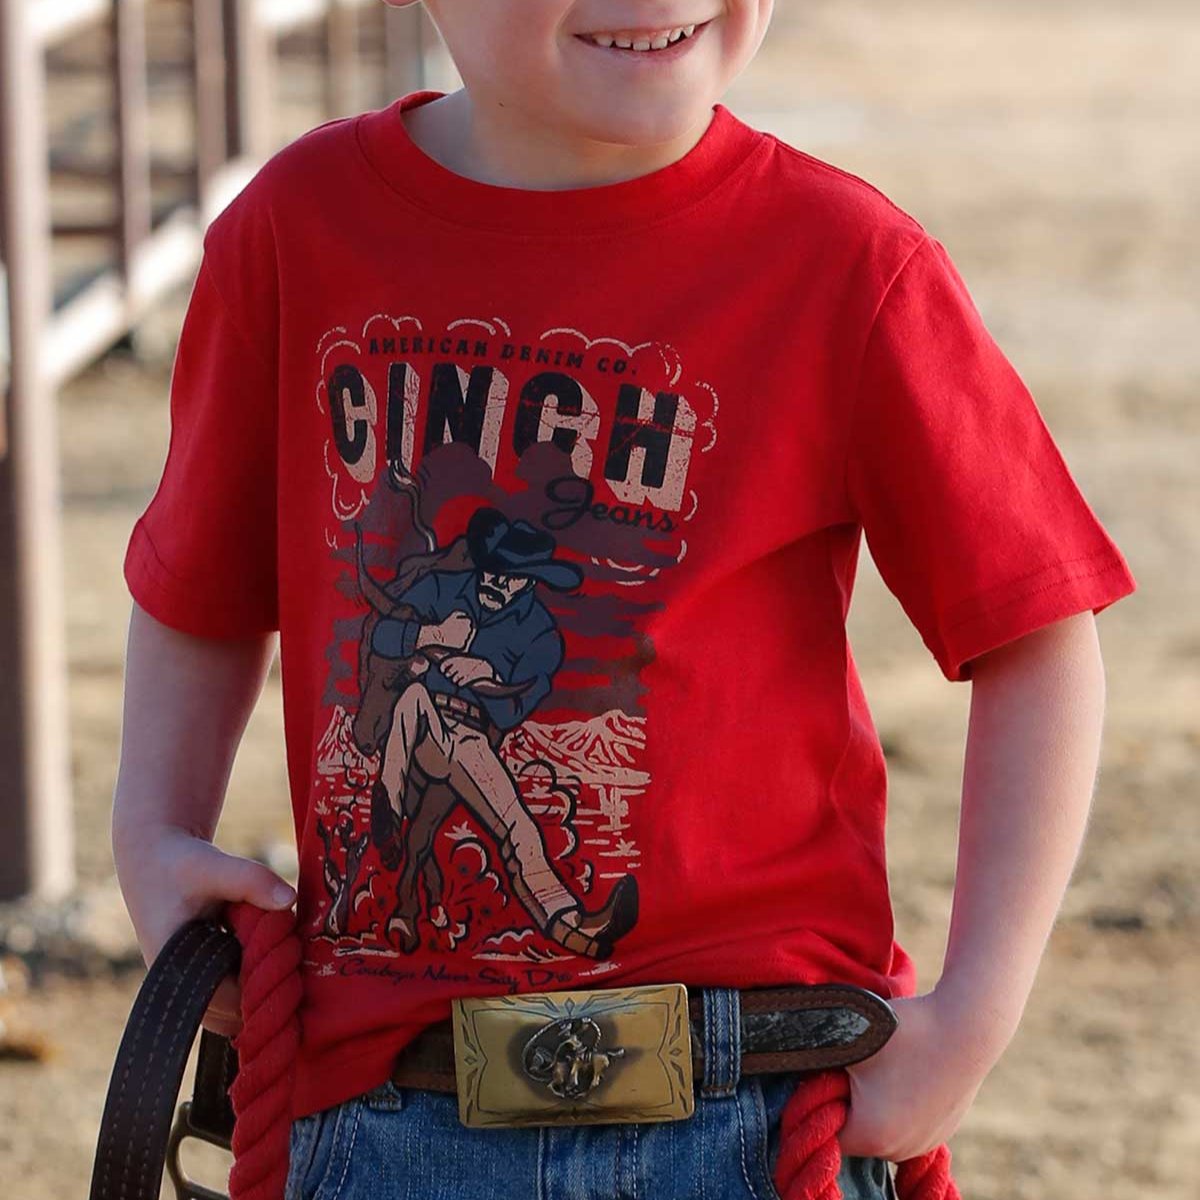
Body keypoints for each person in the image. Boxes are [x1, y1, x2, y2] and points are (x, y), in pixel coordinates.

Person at [110, 2, 1137, 1198]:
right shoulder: (295, 233)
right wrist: (155, 835)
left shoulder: (844, 259)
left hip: (750, 1102)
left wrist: (972, 1016)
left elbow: (1039, 634)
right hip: (384, 1111)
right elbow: (200, 584)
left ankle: (542, 887)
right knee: (422, 742)